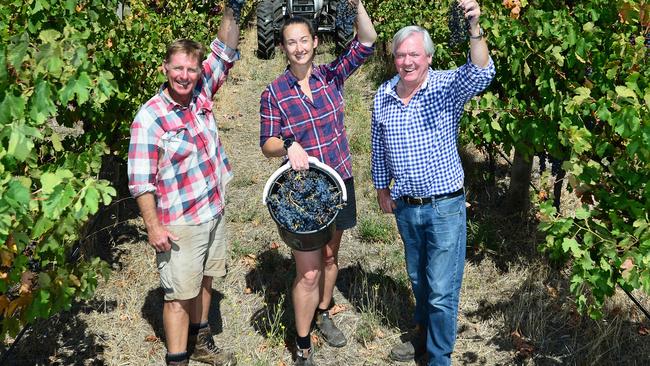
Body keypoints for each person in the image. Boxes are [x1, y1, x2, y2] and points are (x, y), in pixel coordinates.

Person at [370, 1, 495, 365]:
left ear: (427, 57)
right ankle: (422, 338)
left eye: (414, 55)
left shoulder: (444, 87)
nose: (407, 62)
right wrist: (381, 187)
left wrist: (474, 28)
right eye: (400, 55)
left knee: (441, 291)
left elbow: (481, 73)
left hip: (444, 208)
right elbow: (379, 144)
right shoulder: (385, 95)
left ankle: (439, 358)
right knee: (419, 282)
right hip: (406, 206)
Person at [127, 1, 246, 365]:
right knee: (178, 296)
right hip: (179, 222)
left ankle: (201, 342)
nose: (184, 75)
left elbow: (224, 50)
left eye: (191, 69)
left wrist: (233, 9)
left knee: (206, 280)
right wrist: (153, 226)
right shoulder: (150, 118)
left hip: (212, 208)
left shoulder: (201, 93)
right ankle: (177, 359)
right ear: (165, 68)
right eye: (177, 68)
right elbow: (140, 181)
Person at [259, 1, 376, 364]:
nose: (299, 47)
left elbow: (368, 41)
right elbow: (267, 144)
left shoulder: (331, 76)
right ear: (282, 47)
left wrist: (356, 5)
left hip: (339, 180)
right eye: (291, 42)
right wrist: (289, 144)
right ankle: (303, 342)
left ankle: (324, 312)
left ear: (314, 42)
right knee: (307, 272)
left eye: (304, 40)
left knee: (330, 255)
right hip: (303, 193)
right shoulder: (274, 92)